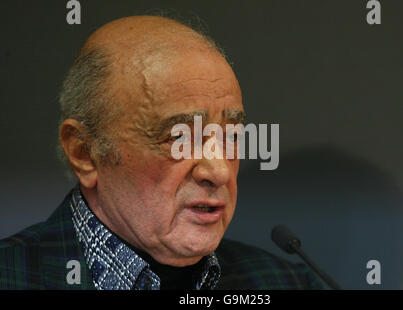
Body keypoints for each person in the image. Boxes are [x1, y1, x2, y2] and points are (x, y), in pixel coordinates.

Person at [0, 15, 321, 290]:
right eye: (180, 137)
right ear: (85, 152)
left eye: (232, 136)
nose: (219, 171)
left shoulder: (285, 282)